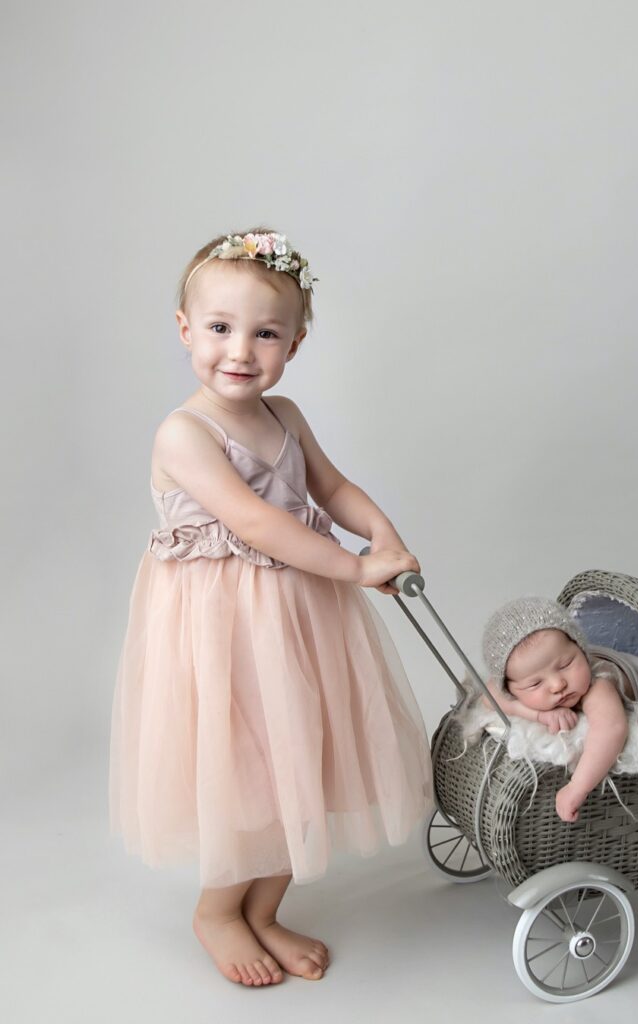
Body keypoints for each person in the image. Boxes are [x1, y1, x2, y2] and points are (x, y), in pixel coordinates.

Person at [109, 228, 433, 988]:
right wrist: (356, 569)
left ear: (296, 341)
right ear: (186, 329)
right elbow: (258, 523)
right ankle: (220, 910)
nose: (240, 351)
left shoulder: (284, 414)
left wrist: (385, 537)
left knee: (307, 752)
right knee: (249, 763)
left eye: (266, 333)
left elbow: (332, 489)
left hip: (298, 614)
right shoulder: (184, 432)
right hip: (221, 627)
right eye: (220, 329)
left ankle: (266, 908)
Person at [481, 597, 638, 824]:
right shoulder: (517, 684)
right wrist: (540, 715)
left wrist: (577, 787)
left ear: (580, 648)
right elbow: (489, 695)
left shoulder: (599, 685)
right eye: (535, 684)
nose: (557, 685)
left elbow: (611, 728)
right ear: (511, 689)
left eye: (565, 665)